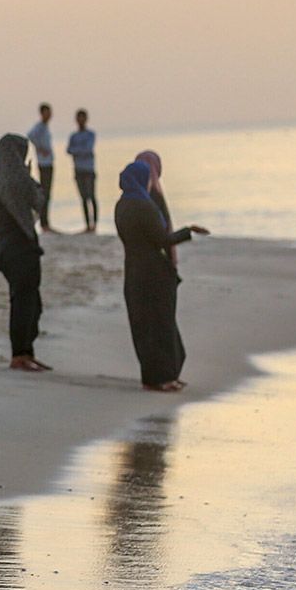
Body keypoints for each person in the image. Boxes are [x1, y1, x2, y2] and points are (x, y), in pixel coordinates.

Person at [114, 155, 209, 391]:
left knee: (144, 326)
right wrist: (189, 231)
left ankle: (152, 378)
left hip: (133, 272)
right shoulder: (144, 206)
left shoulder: (122, 205)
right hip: (153, 273)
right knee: (161, 325)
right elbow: (162, 239)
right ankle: (165, 378)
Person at [0, 133, 48, 371]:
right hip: (23, 247)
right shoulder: (19, 179)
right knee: (27, 301)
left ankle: (25, 352)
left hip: (2, 248)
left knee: (24, 299)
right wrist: (31, 178)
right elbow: (39, 201)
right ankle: (20, 354)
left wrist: (1, 226)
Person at [67, 109, 99, 234]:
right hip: (78, 170)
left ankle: (94, 224)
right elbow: (69, 150)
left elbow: (87, 149)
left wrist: (78, 151)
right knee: (84, 198)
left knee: (92, 196)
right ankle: (87, 225)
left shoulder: (90, 134)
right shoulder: (73, 136)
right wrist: (80, 151)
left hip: (89, 169)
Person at [26, 103, 57, 233]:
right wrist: (40, 148)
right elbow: (30, 135)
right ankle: (44, 223)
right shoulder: (39, 127)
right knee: (45, 192)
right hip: (44, 163)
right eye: (47, 112)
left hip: (48, 162)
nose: (49, 115)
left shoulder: (45, 128)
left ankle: (45, 222)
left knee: (47, 193)